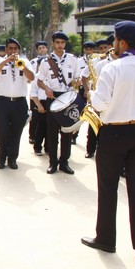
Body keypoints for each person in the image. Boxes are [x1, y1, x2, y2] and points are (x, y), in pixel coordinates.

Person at [81, 20, 135, 262]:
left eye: (115, 40)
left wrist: (91, 94)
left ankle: (106, 240)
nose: (113, 45)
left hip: (113, 133)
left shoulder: (113, 69)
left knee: (108, 188)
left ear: (122, 42)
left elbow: (98, 104)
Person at [36, 31, 82, 175]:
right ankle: (52, 163)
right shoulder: (45, 61)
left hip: (68, 97)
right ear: (53, 43)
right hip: (53, 97)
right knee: (52, 132)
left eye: (62, 43)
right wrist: (46, 88)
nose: (60, 45)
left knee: (66, 132)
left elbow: (77, 78)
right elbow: (39, 81)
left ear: (65, 44)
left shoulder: (73, 60)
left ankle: (64, 163)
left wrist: (77, 82)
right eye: (57, 42)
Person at [0, 38, 34, 169]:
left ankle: (13, 158)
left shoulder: (25, 61)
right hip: (2, 102)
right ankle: (1, 158)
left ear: (18, 50)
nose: (13, 51)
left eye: (15, 49)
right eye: (10, 48)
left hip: (19, 102)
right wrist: (6, 60)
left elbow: (31, 77)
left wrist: (22, 65)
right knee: (1, 130)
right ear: (6, 49)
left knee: (16, 131)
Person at [27, 41, 47, 144]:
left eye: (44, 47)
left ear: (47, 49)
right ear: (37, 50)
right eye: (40, 48)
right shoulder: (33, 62)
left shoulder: (50, 61)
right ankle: (32, 136)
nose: (42, 49)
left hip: (45, 93)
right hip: (35, 92)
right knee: (34, 117)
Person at [30, 57, 48, 156]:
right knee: (41, 126)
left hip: (52, 103)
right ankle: (37, 147)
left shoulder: (53, 75)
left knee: (51, 127)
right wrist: (39, 106)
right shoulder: (36, 77)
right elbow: (33, 93)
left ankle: (49, 147)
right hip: (41, 103)